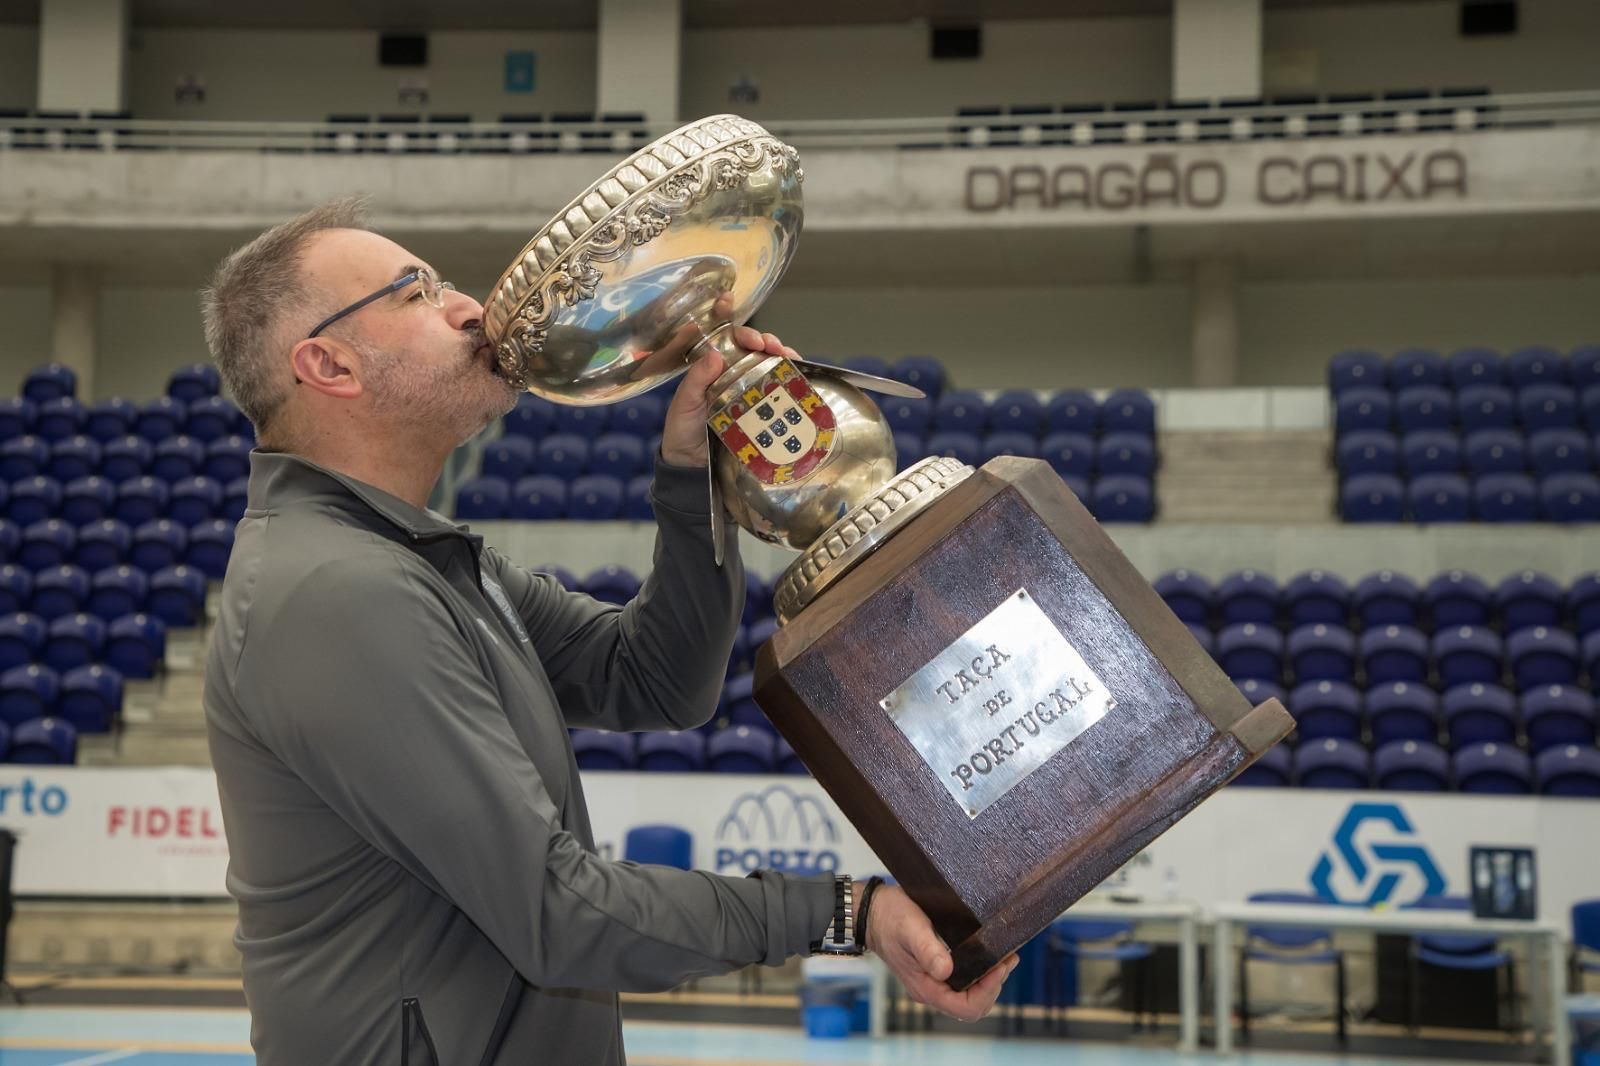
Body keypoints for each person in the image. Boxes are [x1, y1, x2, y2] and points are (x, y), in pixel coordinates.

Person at [198, 198, 1016, 1065]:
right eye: (414, 292)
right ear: (328, 365)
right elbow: (558, 911)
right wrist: (846, 914)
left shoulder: (417, 561)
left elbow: (657, 680)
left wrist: (694, 470)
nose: (470, 308)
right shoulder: (339, 592)